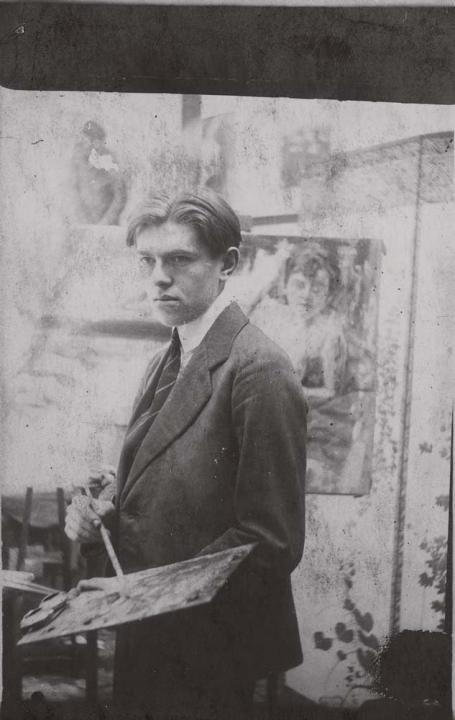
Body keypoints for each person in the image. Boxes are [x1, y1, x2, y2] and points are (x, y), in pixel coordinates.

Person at [65, 189, 307, 720]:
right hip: (150, 632)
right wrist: (102, 517)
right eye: (147, 261)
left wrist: (148, 596)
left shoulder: (259, 368)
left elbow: (271, 540)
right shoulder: (164, 359)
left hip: (208, 650)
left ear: (228, 264)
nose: (159, 277)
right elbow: (159, 494)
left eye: (179, 259)